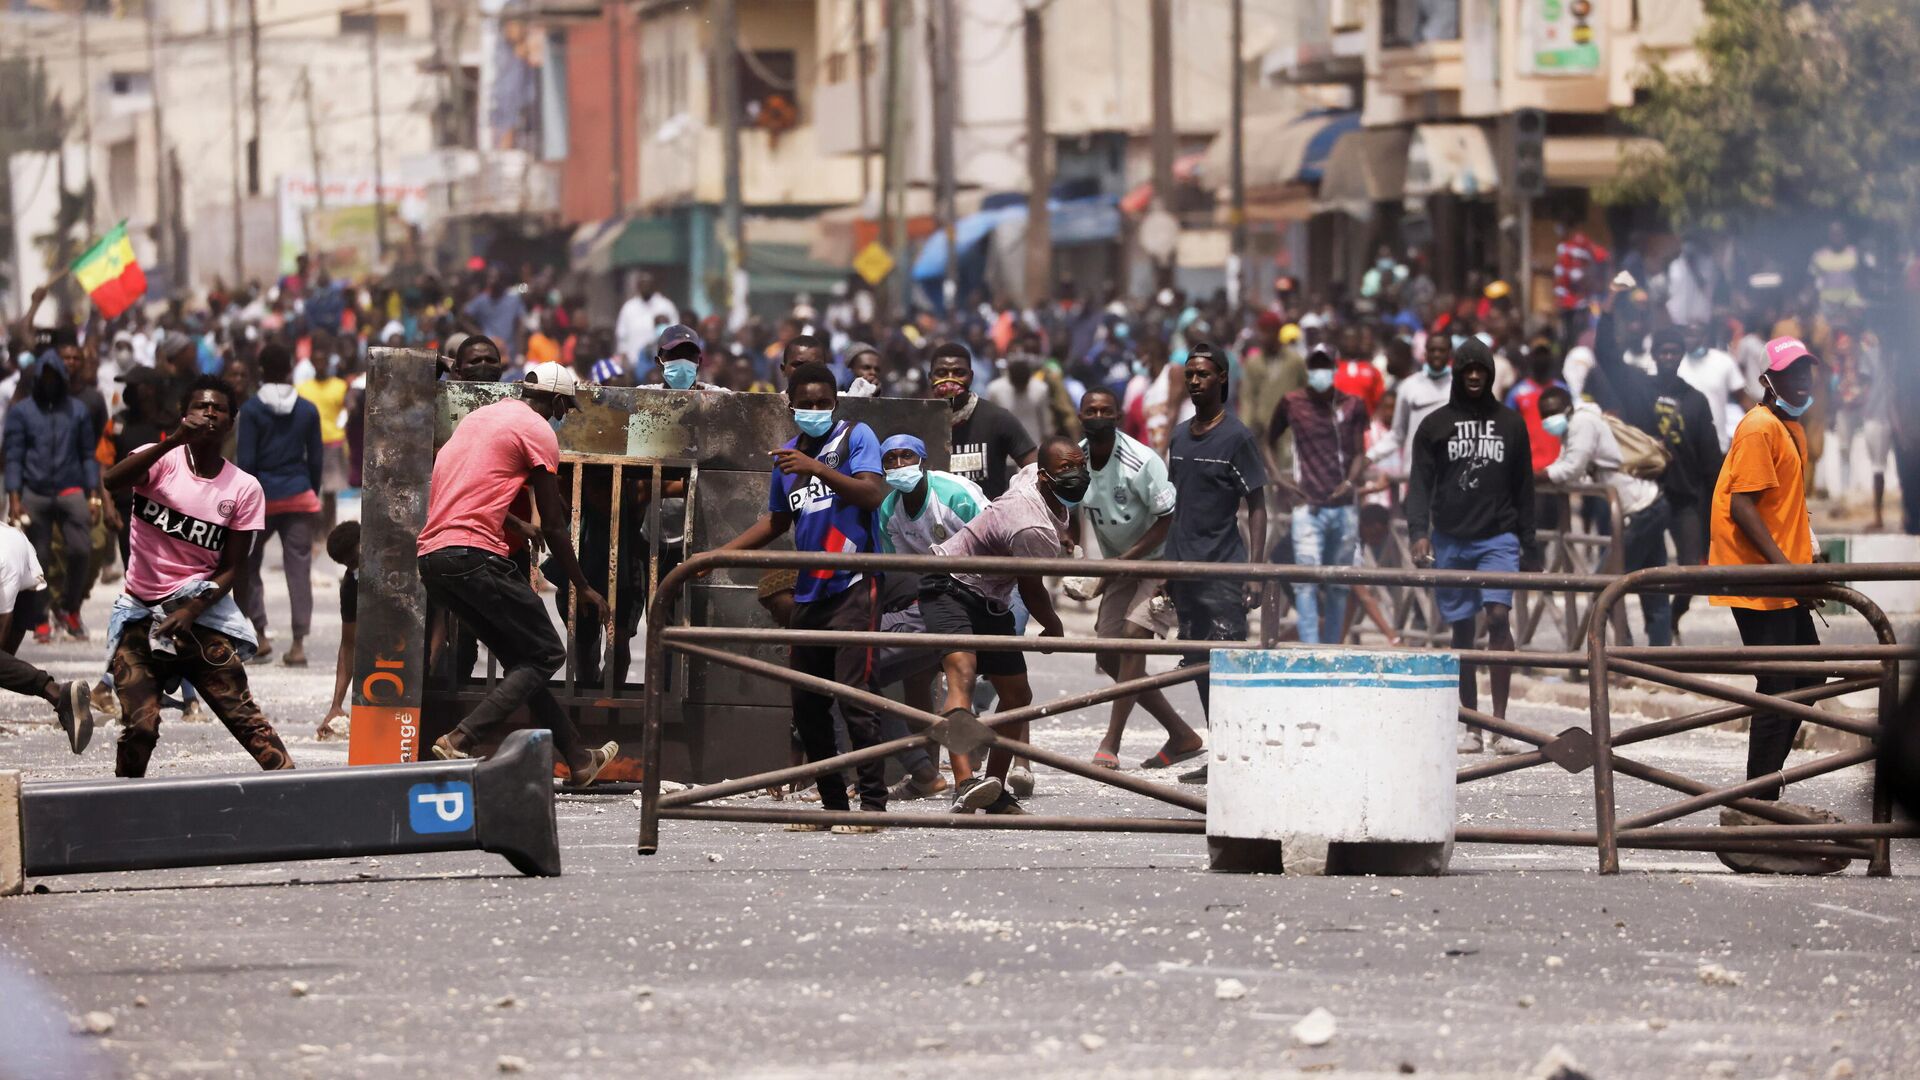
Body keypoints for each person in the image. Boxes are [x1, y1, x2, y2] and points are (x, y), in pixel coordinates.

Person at [417, 362, 619, 786]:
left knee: (521, 661)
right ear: (559, 400)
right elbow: (555, 524)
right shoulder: (537, 430)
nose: (563, 417)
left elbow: (466, 490)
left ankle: (579, 759)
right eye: (566, 408)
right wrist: (582, 586)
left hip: (435, 558)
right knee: (547, 653)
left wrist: (514, 524)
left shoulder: (481, 419)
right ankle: (461, 736)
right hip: (475, 557)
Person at [712, 361, 891, 829]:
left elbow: (872, 494)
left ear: (835, 401)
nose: (815, 410)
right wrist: (718, 556)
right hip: (810, 590)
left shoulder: (856, 436)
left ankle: (872, 807)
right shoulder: (786, 456)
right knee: (808, 704)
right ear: (790, 404)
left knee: (856, 697)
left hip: (854, 582)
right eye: (806, 403)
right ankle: (832, 806)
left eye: (823, 402)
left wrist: (816, 468)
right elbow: (776, 521)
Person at [102, 376, 292, 778]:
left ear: (231, 421)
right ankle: (121, 811)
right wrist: (171, 441)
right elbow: (111, 481)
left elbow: (231, 568)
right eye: (201, 406)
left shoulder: (243, 488)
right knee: (140, 726)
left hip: (200, 616)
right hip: (140, 615)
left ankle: (299, 801)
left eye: (218, 408)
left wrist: (190, 611)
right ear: (184, 414)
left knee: (248, 721)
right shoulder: (158, 460)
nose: (209, 413)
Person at [1709, 337, 1837, 873]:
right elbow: (1742, 507)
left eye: (1806, 370)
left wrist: (1804, 555)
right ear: (1768, 379)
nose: (1801, 381)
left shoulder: (1792, 428)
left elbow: (1785, 505)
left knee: (1806, 680)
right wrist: (1784, 566)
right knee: (1780, 684)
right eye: (1789, 373)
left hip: (1782, 573)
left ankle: (1764, 796)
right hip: (1757, 575)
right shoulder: (1759, 427)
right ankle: (1755, 802)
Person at [920, 438, 1078, 814]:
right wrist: (1054, 627)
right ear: (1044, 476)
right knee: (962, 674)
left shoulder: (1031, 479)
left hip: (990, 599)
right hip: (949, 584)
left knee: (1017, 696)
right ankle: (964, 783)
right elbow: (1032, 587)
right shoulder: (1032, 527)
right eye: (1066, 470)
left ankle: (994, 789)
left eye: (1080, 466)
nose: (1076, 475)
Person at [1405, 339, 1535, 755]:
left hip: (1498, 537)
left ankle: (1499, 724)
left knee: (1498, 618)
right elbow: (1420, 483)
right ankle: (1472, 725)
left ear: (1491, 374)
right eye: (1467, 370)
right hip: (1450, 537)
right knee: (1461, 628)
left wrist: (1528, 542)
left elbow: (1524, 487)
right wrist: (1417, 532)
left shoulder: (1512, 424)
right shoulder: (1434, 426)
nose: (1474, 377)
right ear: (1458, 374)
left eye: (1481, 370)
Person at [1077, 388, 1203, 771]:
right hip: (1120, 565)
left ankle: (1110, 742)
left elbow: (1170, 517)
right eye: (1091, 411)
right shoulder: (1077, 458)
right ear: (1080, 416)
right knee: (1107, 653)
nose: (1098, 417)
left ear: (1117, 417)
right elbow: (1068, 503)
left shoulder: (1141, 460)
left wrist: (1128, 562)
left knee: (1133, 640)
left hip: (1156, 560)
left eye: (1106, 411)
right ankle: (1181, 733)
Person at [1163, 344, 1268, 784]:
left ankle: (1242, 756)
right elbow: (1173, 504)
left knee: (1229, 668)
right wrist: (1165, 570)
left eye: (1203, 374)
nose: (1194, 381)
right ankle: (1220, 755)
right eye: (1189, 374)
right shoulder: (1180, 436)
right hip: (1184, 571)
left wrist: (1255, 571)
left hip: (1223, 570)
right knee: (1200, 667)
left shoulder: (1237, 438)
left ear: (1222, 378)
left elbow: (1258, 506)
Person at [1594, 295, 1723, 643]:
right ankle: (1628, 643)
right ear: (1653, 354)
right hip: (1644, 497)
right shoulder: (1637, 387)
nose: (1668, 358)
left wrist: (1716, 510)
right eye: (1663, 351)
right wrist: (1608, 311)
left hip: (1684, 497)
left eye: (1674, 352)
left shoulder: (1696, 400)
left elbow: (1711, 459)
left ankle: (1672, 622)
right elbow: (1606, 357)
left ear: (1681, 356)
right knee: (1628, 573)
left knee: (1693, 572)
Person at [873, 433, 983, 800]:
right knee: (917, 683)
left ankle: (984, 768)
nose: (899, 465)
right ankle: (929, 772)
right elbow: (898, 567)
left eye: (907, 456)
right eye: (891, 459)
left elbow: (991, 540)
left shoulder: (954, 494)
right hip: (926, 599)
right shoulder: (889, 509)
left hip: (978, 590)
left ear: (923, 460)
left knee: (981, 682)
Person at [1534, 385, 1672, 646]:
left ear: (1567, 407)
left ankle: (1625, 654)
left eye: (1552, 412)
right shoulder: (1574, 426)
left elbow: (1570, 469)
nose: (1548, 419)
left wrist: (1535, 476)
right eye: (1544, 415)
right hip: (1647, 506)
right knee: (1654, 589)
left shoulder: (1582, 423)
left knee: (1604, 587)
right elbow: (1573, 466)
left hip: (1641, 511)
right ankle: (1656, 658)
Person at [5, 339, 105, 641]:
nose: (49, 383)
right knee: (40, 558)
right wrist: (14, 497)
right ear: (37, 379)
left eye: (54, 377)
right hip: (34, 492)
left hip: (70, 489)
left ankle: (69, 607)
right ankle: (40, 617)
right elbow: (14, 456)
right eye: (44, 378)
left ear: (61, 377)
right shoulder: (22, 412)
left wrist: (93, 495)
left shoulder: (77, 411)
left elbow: (88, 454)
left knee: (81, 549)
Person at [1267, 348, 1369, 644]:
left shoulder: (1353, 405)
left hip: (1344, 507)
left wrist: (1350, 481)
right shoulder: (1292, 403)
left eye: (1326, 366)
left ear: (1334, 370)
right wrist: (1278, 476)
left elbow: (1360, 453)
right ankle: (1312, 647)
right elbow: (1268, 439)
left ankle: (1333, 646)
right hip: (1308, 507)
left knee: (1340, 584)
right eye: (1315, 367)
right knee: (1305, 583)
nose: (1320, 373)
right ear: (1308, 371)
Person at [235, 343, 324, 666]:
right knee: (299, 570)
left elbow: (246, 461)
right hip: (299, 495)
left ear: (261, 371)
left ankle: (259, 635)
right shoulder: (307, 410)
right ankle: (298, 643)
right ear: (289, 369)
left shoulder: (252, 410)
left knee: (248, 565)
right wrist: (309, 492)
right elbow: (315, 460)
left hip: (261, 500)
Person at [0, 519, 95, 755]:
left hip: (20, 575)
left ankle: (56, 692)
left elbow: (5, 621)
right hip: (26, 564)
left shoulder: (3, 563)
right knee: (4, 663)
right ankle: (56, 693)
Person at [930, 342, 1037, 499]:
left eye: (959, 373)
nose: (950, 380)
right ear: (930, 378)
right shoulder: (919, 422)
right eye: (941, 373)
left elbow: (1036, 471)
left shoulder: (997, 419)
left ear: (971, 377)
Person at [1368, 333, 1453, 472]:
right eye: (1432, 350)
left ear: (1450, 354)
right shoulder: (1408, 386)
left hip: (1450, 473)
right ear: (1425, 353)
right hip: (1416, 474)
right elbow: (1398, 434)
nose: (1437, 354)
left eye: (1441, 350)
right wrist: (1370, 456)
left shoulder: (1460, 387)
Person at [298, 340, 352, 538]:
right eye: (316, 360)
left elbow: (348, 409)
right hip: (309, 444)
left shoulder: (339, 386)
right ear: (311, 362)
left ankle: (328, 531)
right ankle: (314, 531)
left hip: (334, 443)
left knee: (330, 492)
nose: (320, 364)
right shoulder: (302, 388)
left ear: (328, 361)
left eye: (323, 360)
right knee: (311, 490)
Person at [1677, 322, 1751, 452]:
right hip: (1682, 446)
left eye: (1696, 335)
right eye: (1688, 335)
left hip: (1717, 445)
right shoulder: (1676, 361)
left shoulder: (1723, 361)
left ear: (1706, 336)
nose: (1692, 339)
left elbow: (1742, 399)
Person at [318, 521, 359, 740]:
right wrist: (336, 705)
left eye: (356, 560)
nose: (356, 568)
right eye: (350, 565)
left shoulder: (401, 560)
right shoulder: (352, 586)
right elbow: (349, 644)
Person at [986, 336, 1054, 443]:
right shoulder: (995, 390)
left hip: (1035, 450)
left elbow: (1047, 428)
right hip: (1006, 452)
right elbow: (989, 426)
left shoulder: (1040, 389)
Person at [615, 271, 679, 368]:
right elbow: (622, 336)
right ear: (638, 286)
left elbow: (675, 334)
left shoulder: (666, 306)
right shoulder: (629, 308)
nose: (645, 287)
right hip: (634, 362)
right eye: (642, 284)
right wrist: (623, 356)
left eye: (648, 284)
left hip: (660, 362)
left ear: (654, 286)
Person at [462, 269, 527, 354]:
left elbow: (519, 327)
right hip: (488, 351)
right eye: (490, 277)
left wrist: (520, 353)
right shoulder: (481, 300)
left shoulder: (514, 300)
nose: (492, 281)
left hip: (509, 352)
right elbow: (463, 317)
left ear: (503, 280)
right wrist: (479, 334)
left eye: (495, 277)